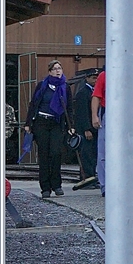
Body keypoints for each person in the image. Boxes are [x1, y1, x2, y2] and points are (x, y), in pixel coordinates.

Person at [23, 61, 75, 198]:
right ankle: (45, 188)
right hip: (41, 122)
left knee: (56, 153)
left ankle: (57, 185)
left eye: (60, 68)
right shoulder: (42, 85)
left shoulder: (65, 87)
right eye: (55, 69)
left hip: (57, 123)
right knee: (44, 155)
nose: (58, 71)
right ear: (50, 71)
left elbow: (69, 107)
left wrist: (71, 126)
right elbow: (34, 104)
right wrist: (28, 123)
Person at [71, 69, 99, 188]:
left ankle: (92, 177)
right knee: (87, 154)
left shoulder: (94, 92)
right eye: (93, 78)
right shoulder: (83, 93)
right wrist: (86, 129)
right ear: (86, 78)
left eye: (97, 78)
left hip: (95, 128)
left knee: (93, 154)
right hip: (87, 128)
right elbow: (82, 113)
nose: (95, 80)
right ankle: (87, 177)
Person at [91, 68, 106, 196]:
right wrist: (94, 116)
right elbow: (96, 96)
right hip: (107, 112)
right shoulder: (103, 76)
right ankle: (105, 186)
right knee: (103, 152)